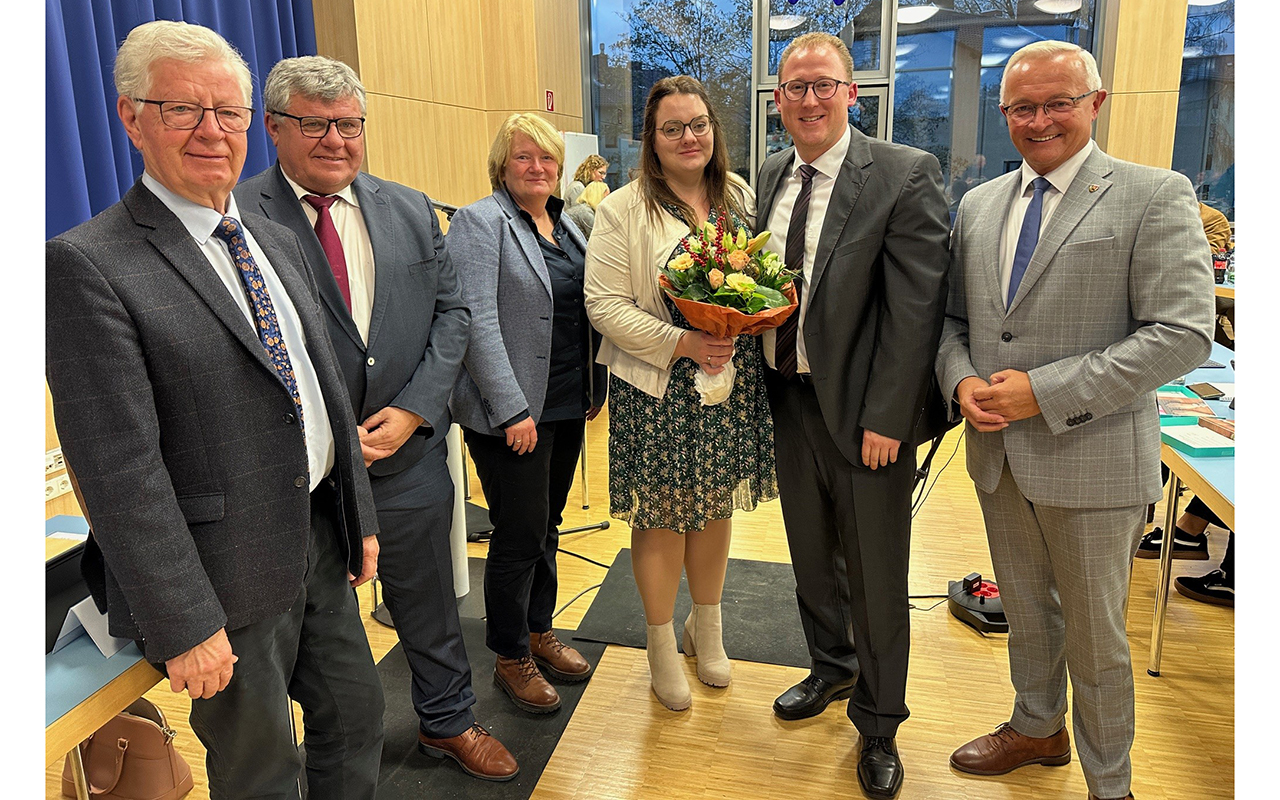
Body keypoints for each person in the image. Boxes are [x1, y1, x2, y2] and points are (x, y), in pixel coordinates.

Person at [46, 21, 386, 798]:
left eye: (227, 112)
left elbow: (323, 384)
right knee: (262, 770)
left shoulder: (274, 235)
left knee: (356, 721)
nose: (212, 131)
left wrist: (357, 512)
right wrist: (186, 622)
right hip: (218, 577)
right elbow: (117, 468)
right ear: (131, 118)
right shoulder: (90, 265)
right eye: (182, 110)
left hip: (316, 541)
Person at [936, 41, 1213, 800]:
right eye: (1023, 106)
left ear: (1096, 102)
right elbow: (953, 322)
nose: (1040, 119)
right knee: (1027, 613)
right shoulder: (980, 205)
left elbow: (1184, 331)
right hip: (998, 457)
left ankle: (1110, 784)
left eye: (1059, 101)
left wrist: (1044, 391)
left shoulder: (1154, 193)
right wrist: (960, 380)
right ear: (1004, 115)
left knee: (1097, 642)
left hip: (1093, 457)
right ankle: (1036, 728)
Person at [235, 56, 519, 782]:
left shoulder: (409, 207)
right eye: (314, 123)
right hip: (300, 481)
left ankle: (448, 721)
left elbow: (452, 317)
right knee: (311, 638)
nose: (335, 139)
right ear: (273, 127)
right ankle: (310, 757)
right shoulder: (237, 219)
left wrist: (416, 409)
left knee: (428, 602)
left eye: (349, 124)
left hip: (407, 457)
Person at [756, 32, 950, 799]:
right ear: (777, 101)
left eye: (822, 85)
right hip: (787, 399)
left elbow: (916, 310)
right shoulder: (771, 172)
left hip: (869, 416)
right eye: (794, 87)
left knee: (875, 573)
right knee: (810, 556)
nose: (808, 99)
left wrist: (890, 417)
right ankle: (831, 669)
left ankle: (878, 723)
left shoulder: (903, 174)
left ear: (852, 93)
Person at [584, 75, 777, 712]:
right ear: (653, 140)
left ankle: (708, 627)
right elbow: (602, 304)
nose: (688, 137)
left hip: (728, 379)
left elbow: (762, 281)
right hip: (659, 384)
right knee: (664, 514)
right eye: (672, 128)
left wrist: (746, 319)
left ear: (714, 132)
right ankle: (662, 642)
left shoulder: (739, 198)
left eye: (698, 124)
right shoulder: (623, 208)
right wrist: (681, 342)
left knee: (715, 505)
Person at [447, 113, 607, 715]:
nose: (537, 168)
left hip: (565, 401)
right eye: (524, 157)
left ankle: (541, 630)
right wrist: (512, 408)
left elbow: (582, 308)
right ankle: (511, 654)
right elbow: (476, 322)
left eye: (546, 158)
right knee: (517, 535)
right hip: (509, 413)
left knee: (547, 525)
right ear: (502, 164)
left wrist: (595, 383)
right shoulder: (480, 222)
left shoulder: (569, 224)